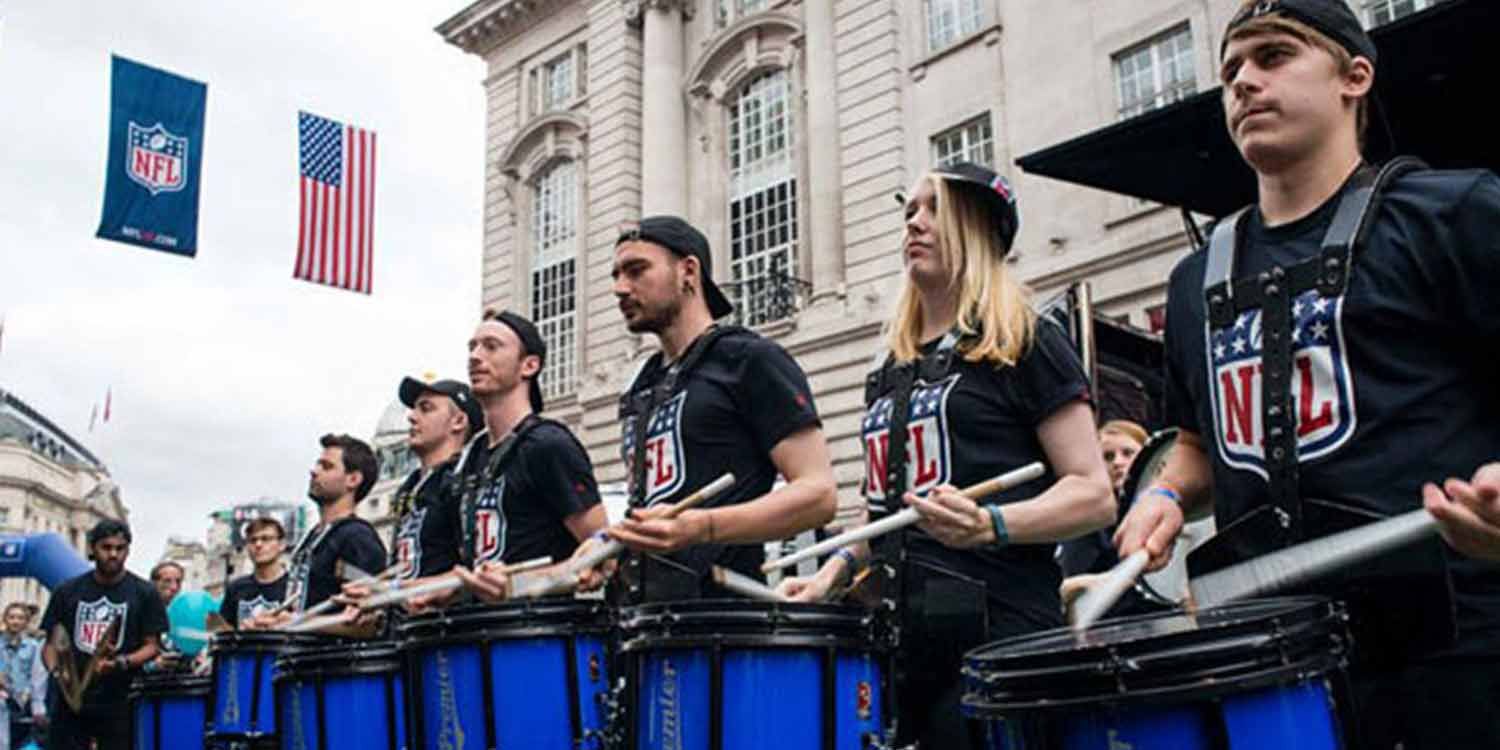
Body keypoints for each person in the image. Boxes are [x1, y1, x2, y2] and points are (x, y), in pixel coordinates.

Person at [1114, 2, 1500, 747]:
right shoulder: (1194, 280)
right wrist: (1165, 492)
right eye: (1230, 71)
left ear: (1355, 76)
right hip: (1271, 670)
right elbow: (1199, 440)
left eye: (1274, 56)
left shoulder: (1453, 214)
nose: (1244, 83)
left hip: (1459, 660)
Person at [777, 163, 1114, 748]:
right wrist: (829, 578)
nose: (915, 221)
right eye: (910, 209)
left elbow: (1093, 492)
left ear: (977, 228)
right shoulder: (890, 368)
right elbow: (883, 510)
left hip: (999, 636)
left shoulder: (1024, 339)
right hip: (902, 642)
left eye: (935, 208)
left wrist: (992, 524)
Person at [568, 215, 838, 601]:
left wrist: (703, 526)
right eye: (615, 275)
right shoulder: (640, 386)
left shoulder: (748, 359)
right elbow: (651, 508)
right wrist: (609, 545)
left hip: (720, 627)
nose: (620, 288)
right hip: (639, 624)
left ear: (688, 271)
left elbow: (819, 495)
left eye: (636, 270)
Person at [445, 311, 609, 603]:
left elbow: (603, 553)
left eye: (491, 346)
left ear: (529, 365)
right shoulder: (469, 460)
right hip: (476, 632)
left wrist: (519, 585)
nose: (475, 357)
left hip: (537, 635)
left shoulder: (547, 444)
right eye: (472, 347)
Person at [40, 520, 168, 750]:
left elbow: (152, 645)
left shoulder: (144, 592)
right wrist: (59, 673)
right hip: (72, 700)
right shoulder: (67, 591)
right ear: (92, 548)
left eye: (120, 548)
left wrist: (121, 662)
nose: (113, 554)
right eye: (106, 547)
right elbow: (50, 644)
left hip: (120, 699)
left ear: (127, 551)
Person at [248, 435, 386, 627]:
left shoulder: (357, 538)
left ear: (353, 479)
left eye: (327, 467)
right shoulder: (312, 537)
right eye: (317, 464)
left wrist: (302, 622)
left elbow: (372, 623)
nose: (314, 472)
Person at [1057, 420, 1152, 613]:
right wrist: (1115, 580)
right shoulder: (1088, 522)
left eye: (1128, 453)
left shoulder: (1171, 508)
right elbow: (1067, 587)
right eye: (1108, 457)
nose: (1118, 462)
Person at [219, 517, 289, 628]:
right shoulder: (236, 588)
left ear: (281, 544)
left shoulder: (294, 587)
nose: (258, 544)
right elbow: (225, 631)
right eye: (252, 540)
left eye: (266, 539)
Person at [1, 603, 41, 750]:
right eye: (11, 617)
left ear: (26, 622)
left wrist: (28, 694)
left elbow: (36, 675)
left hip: (23, 703)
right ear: (5, 619)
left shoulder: (33, 647)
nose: (15, 621)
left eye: (20, 618)